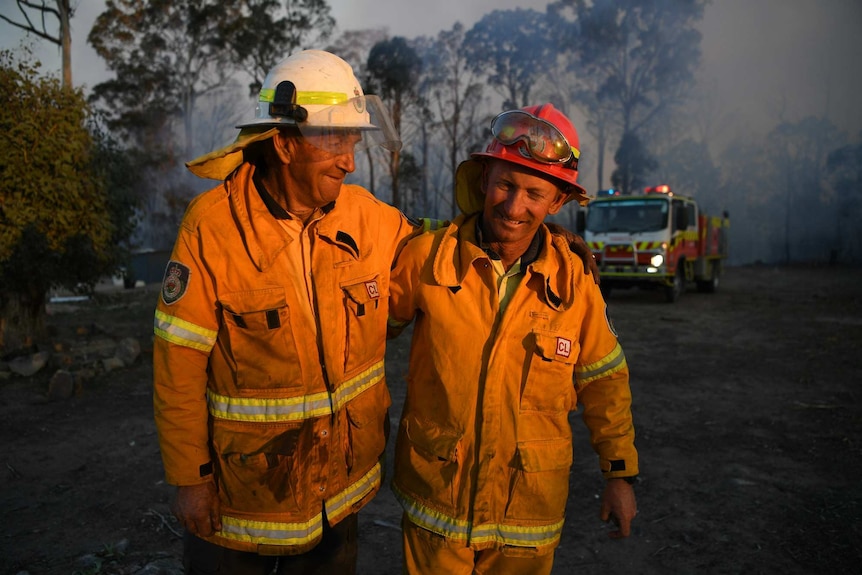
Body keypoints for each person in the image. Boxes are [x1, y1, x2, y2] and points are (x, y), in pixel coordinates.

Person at [152, 50, 419, 574]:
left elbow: (432, 252)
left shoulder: (368, 217)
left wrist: (526, 235)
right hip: (241, 504)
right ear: (282, 143)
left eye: (353, 141)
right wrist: (189, 480)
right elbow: (177, 366)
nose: (348, 160)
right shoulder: (212, 229)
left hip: (338, 495)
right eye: (333, 140)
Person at [387, 103, 638, 575]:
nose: (514, 206)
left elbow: (606, 382)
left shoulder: (574, 285)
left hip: (526, 516)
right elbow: (359, 333)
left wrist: (620, 475)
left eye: (534, 193)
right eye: (505, 184)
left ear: (558, 202)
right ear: (483, 179)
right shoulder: (427, 259)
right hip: (436, 508)